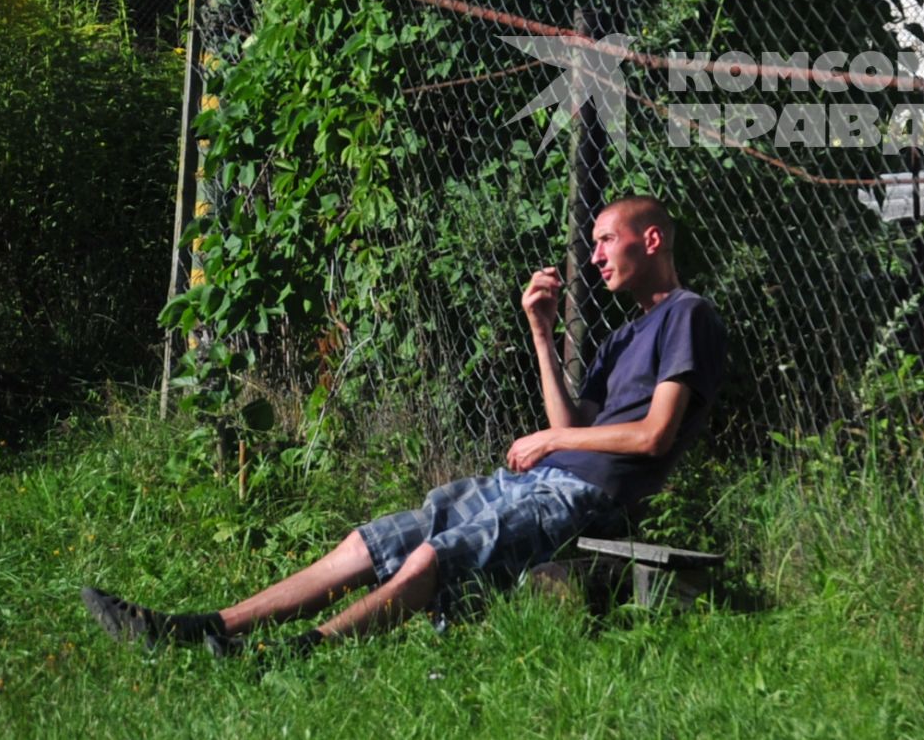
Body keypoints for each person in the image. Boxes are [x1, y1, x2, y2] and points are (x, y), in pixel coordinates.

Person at [81, 195, 724, 658]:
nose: (595, 253)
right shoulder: (624, 335)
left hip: (590, 502)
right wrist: (540, 332)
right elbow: (572, 420)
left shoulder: (687, 316)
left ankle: (290, 654)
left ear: (653, 239)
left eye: (607, 238)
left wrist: (554, 441)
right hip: (537, 482)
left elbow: (652, 437)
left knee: (431, 558)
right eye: (595, 242)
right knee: (372, 541)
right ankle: (201, 626)